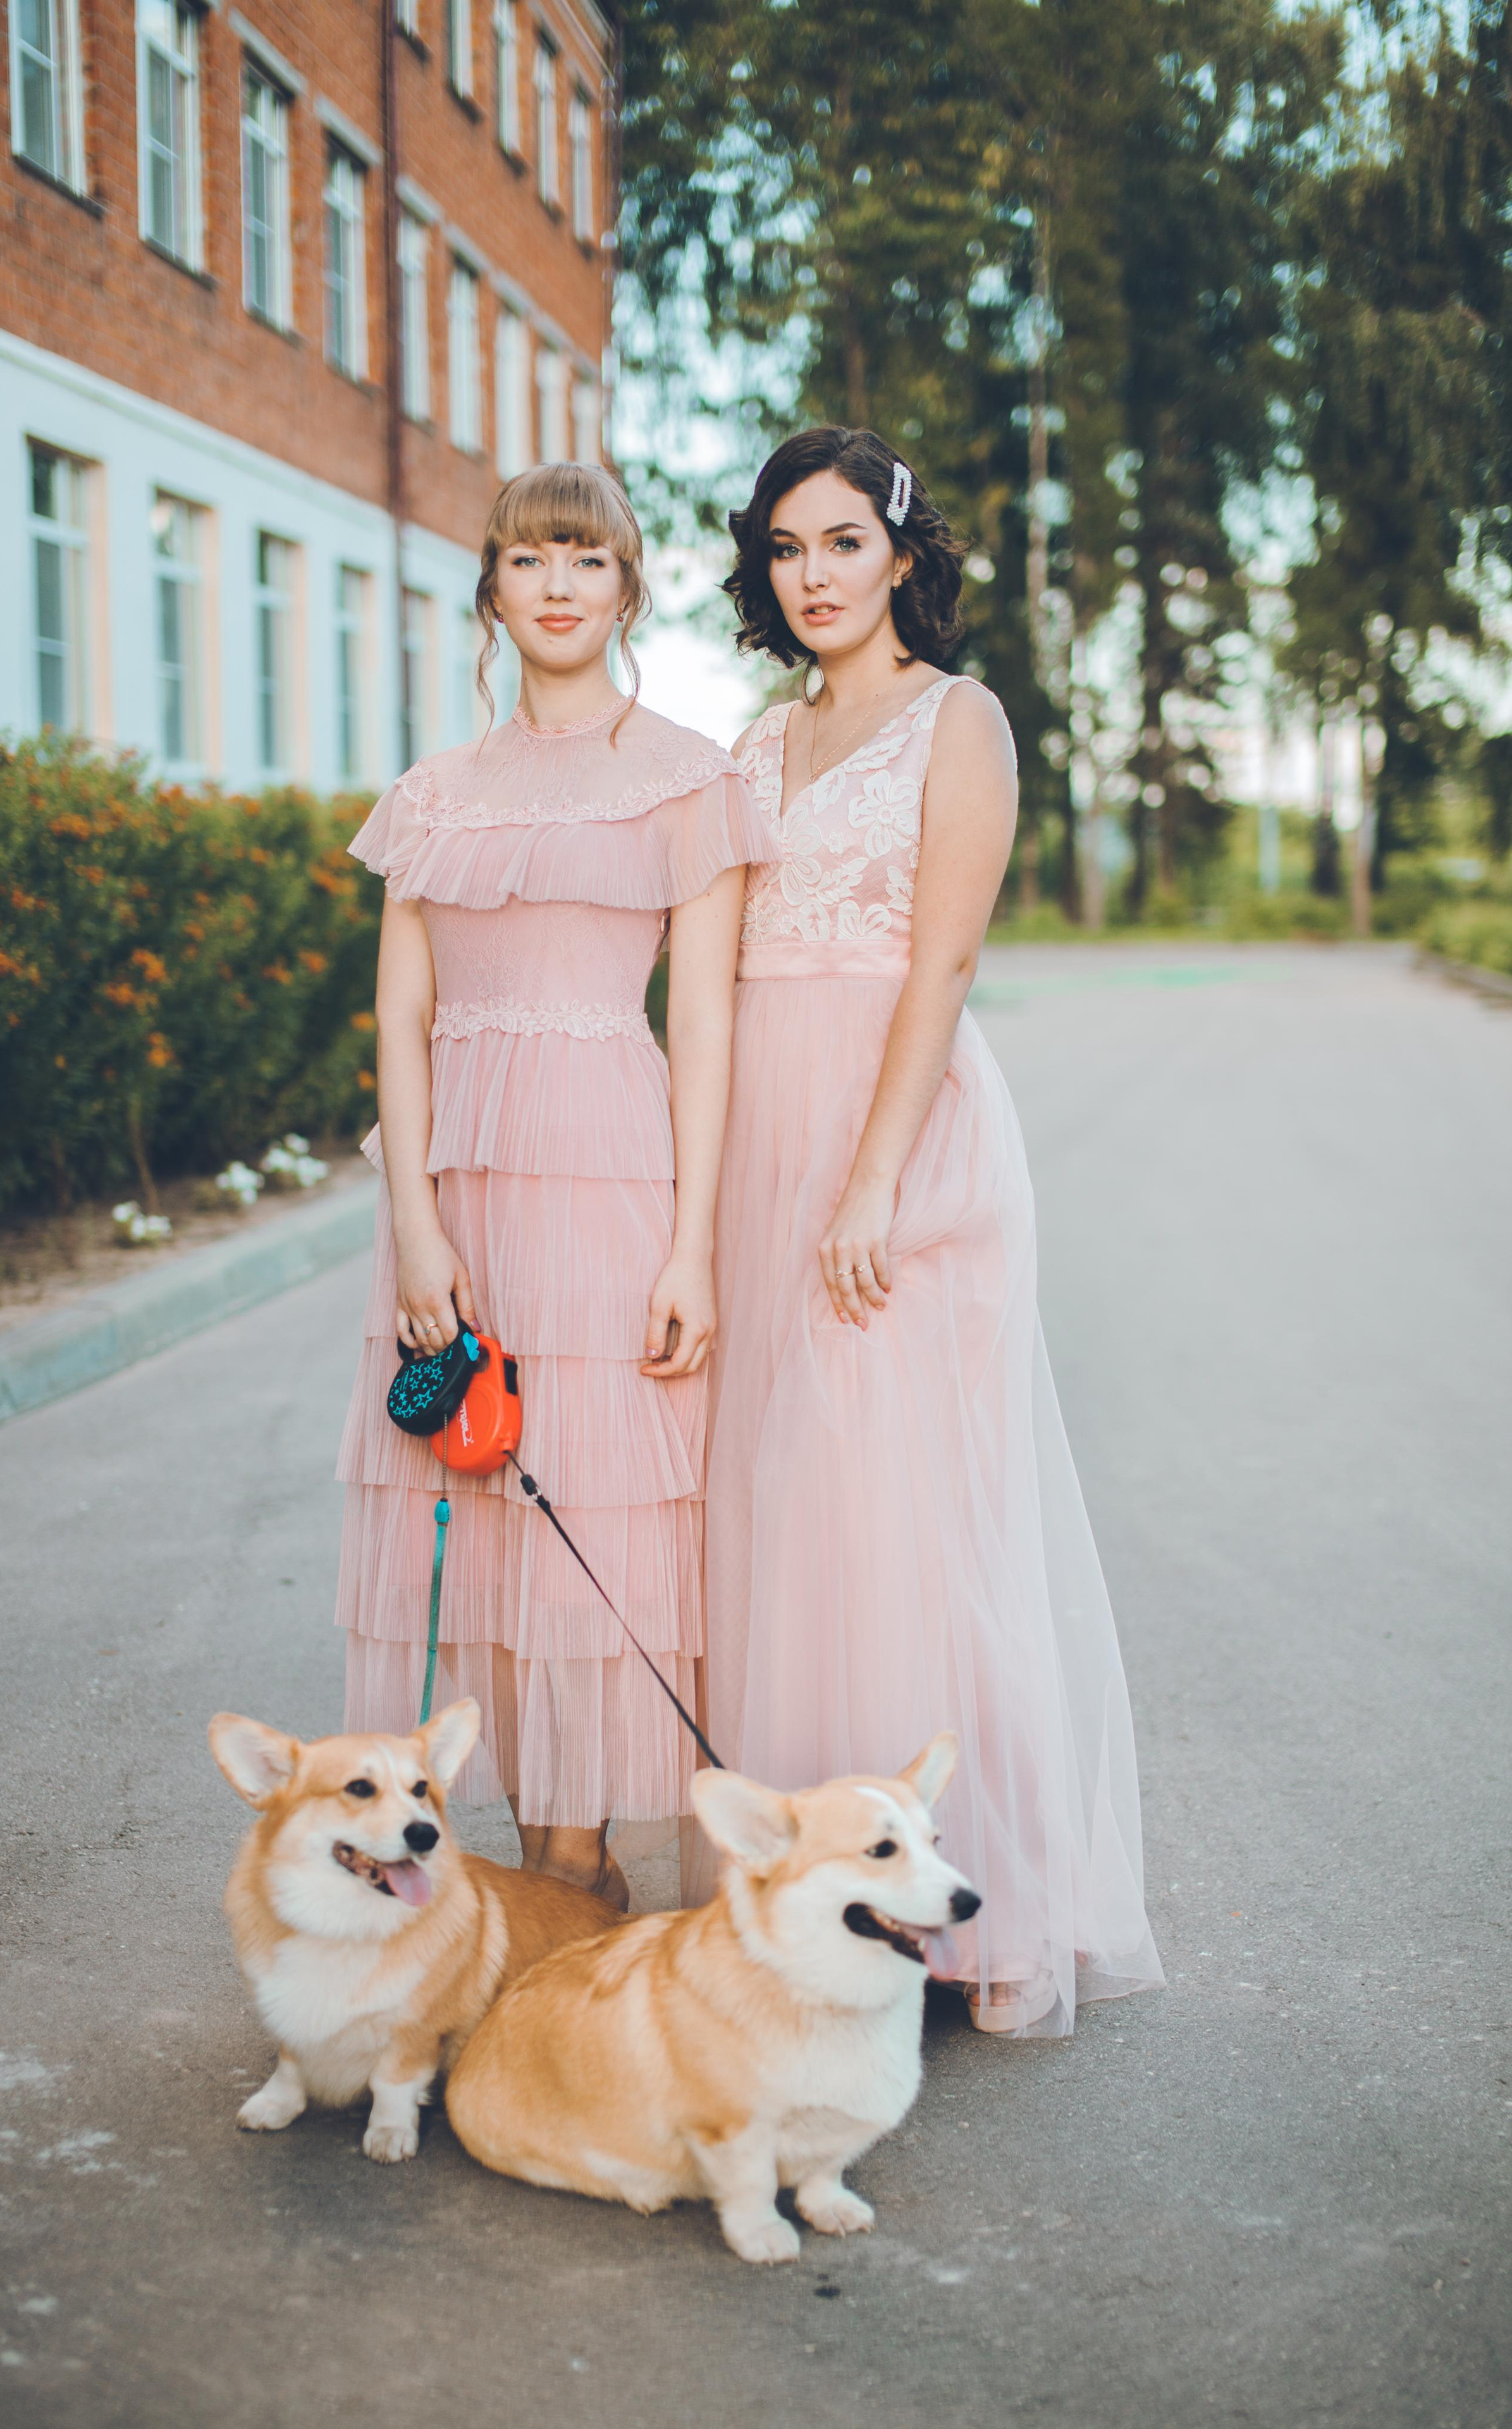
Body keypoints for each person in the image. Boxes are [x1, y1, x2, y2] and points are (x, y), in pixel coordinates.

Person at [693, 426, 1163, 2033]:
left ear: (900, 555)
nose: (811, 575)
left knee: (910, 1514)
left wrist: (872, 1179)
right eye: (783, 548)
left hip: (900, 1137)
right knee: (787, 1508)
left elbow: (941, 965)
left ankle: (985, 1914)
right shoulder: (753, 745)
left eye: (841, 542)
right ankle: (816, 1904)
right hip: (763, 1137)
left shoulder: (958, 722)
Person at [335, 462, 776, 1908]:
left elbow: (701, 1028)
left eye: (585, 560)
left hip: (610, 1182)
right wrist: (414, 1228)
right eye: (529, 560)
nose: (558, 586)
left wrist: (691, 1249)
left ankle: (578, 1872)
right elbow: (400, 1018)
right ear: (492, 592)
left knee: (592, 1503)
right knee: (480, 1509)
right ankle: (535, 1869)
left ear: (627, 590)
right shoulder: (432, 797)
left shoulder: (688, 780)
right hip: (458, 1192)